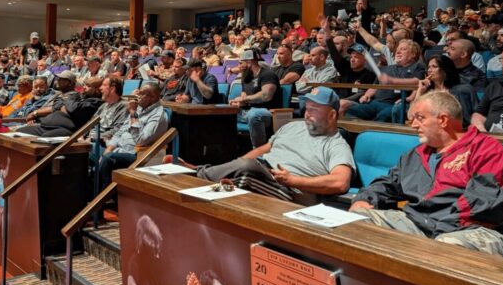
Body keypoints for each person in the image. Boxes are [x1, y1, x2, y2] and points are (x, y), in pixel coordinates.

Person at [350, 92, 503, 259]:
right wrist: (365, 199)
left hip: (477, 231)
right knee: (357, 219)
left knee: (444, 247)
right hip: (422, 226)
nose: (413, 125)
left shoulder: (485, 150)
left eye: (419, 118)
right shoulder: (417, 154)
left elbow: (486, 203)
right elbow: (388, 182)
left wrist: (435, 233)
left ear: (443, 120)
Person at [170, 87, 353, 205]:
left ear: (332, 115)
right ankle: (204, 177)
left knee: (246, 172)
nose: (307, 112)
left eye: (315, 109)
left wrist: (293, 181)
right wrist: (230, 167)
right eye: (307, 107)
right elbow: (262, 150)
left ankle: (196, 175)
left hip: (290, 191)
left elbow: (340, 182)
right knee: (244, 167)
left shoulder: (335, 144)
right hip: (263, 173)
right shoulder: (293, 126)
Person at [97, 82, 169, 189]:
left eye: (141, 94)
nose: (137, 97)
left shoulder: (158, 116)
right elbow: (121, 131)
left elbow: (140, 140)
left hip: (139, 155)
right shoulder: (140, 109)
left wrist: (133, 114)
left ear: (153, 96)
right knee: (90, 152)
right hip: (119, 149)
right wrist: (109, 148)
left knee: (108, 159)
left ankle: (103, 198)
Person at [231, 49, 282, 148]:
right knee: (222, 113)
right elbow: (244, 96)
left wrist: (245, 99)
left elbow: (266, 96)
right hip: (247, 111)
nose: (238, 65)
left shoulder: (267, 74)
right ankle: (230, 149)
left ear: (249, 62)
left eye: (241, 62)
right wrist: (240, 103)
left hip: (268, 112)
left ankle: (259, 151)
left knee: (254, 114)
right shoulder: (246, 77)